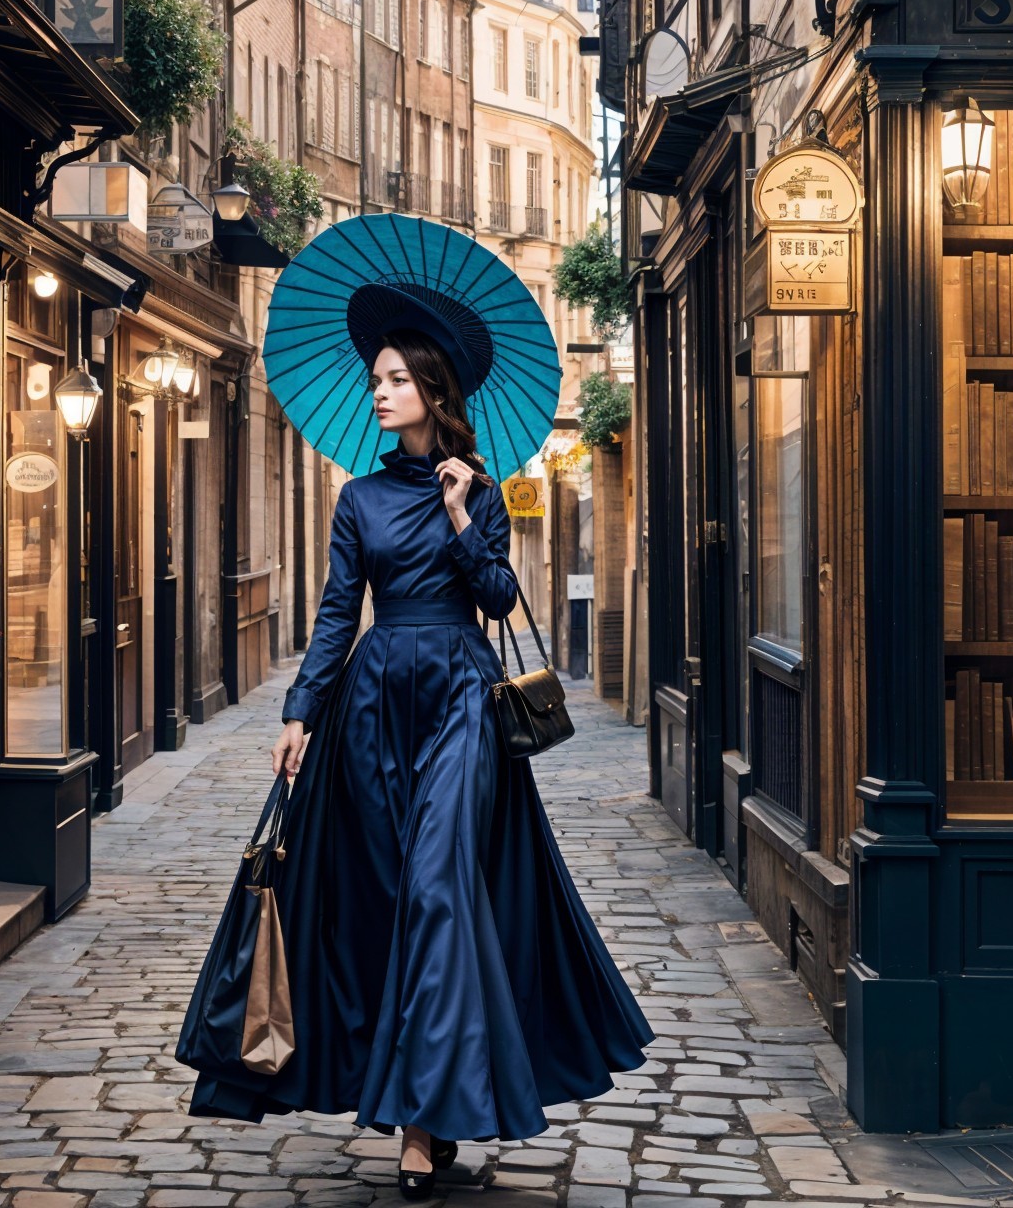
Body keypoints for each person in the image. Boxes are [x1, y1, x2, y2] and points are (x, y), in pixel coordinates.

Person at [176, 316, 654, 1201]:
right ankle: (413, 1103)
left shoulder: (481, 488)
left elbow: (502, 596)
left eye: (394, 379)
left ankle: (424, 1124)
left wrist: (463, 510)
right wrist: (298, 713)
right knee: (391, 898)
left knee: (439, 887)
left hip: (464, 699)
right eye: (376, 380)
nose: (379, 392)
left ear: (433, 391)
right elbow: (334, 614)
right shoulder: (357, 499)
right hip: (373, 705)